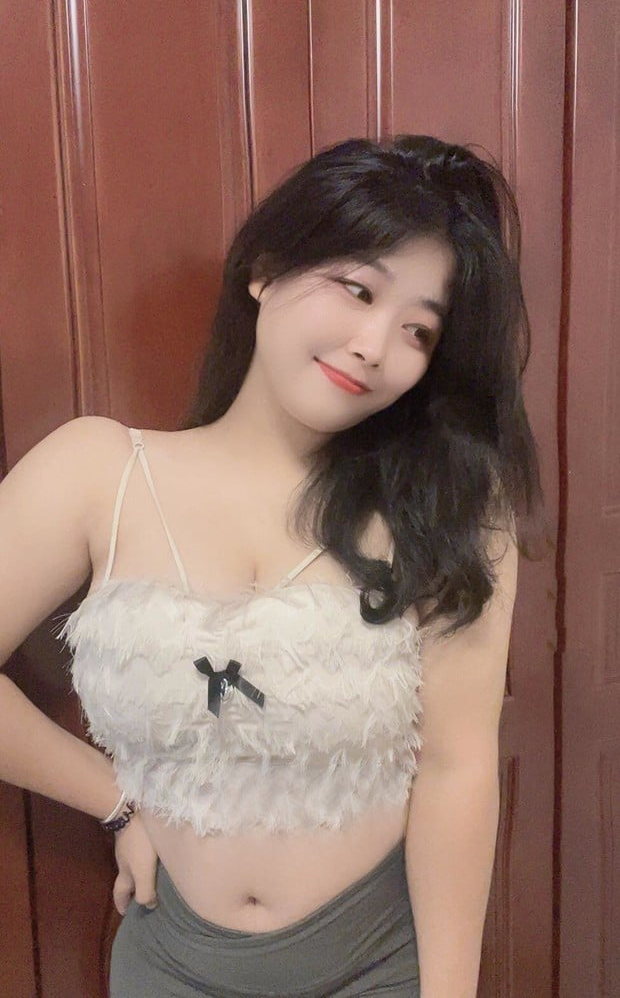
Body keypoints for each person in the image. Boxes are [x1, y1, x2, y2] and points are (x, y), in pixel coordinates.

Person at [0, 134, 545, 997]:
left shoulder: (451, 508)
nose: (374, 345)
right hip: (170, 962)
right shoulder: (98, 472)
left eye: (418, 330)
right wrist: (115, 799)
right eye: (358, 289)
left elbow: (457, 767)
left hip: (378, 965)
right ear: (265, 269)